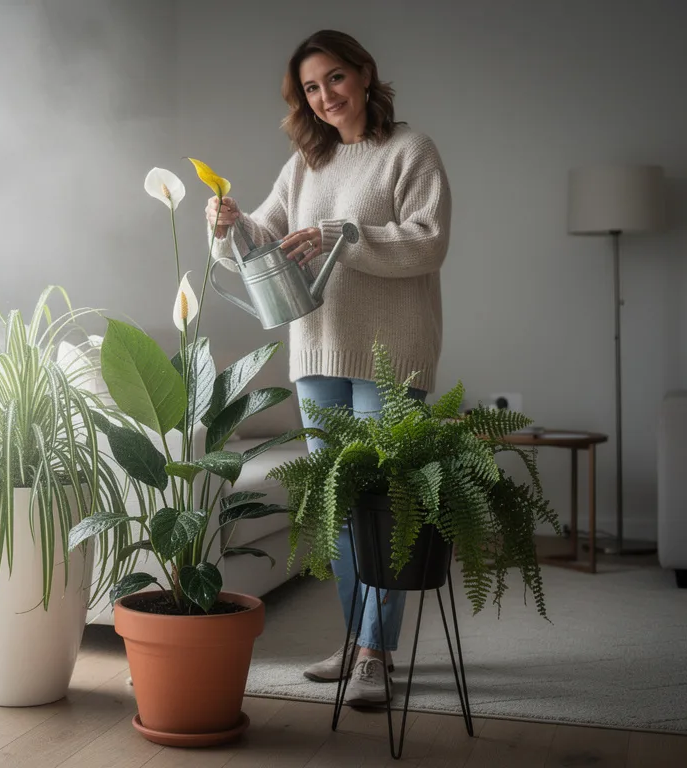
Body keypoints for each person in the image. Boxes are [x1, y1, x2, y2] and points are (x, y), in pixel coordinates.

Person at [206, 29, 451, 707]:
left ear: (366, 74)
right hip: (316, 350)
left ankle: (376, 650)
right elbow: (263, 240)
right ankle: (355, 639)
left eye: (335, 79)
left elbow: (428, 243)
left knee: (386, 505)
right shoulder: (305, 162)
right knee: (340, 504)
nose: (325, 97)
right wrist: (228, 225)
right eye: (311, 88)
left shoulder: (410, 150)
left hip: (391, 354)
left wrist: (343, 235)